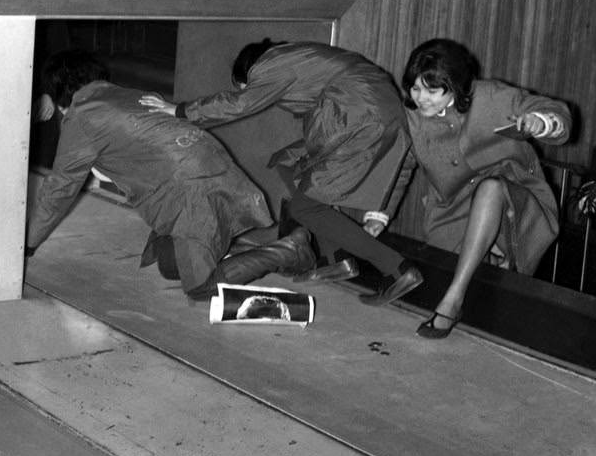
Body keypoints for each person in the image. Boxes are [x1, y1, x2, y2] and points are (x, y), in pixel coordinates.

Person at [140, 38, 422, 304]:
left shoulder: (270, 64)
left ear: (248, 74)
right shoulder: (297, 57)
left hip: (358, 119)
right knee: (287, 161)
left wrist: (179, 111)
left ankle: (396, 268)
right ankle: (333, 258)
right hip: (367, 114)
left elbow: (240, 103)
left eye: (245, 85)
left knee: (305, 207)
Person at [25, 49, 316, 300]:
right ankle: (263, 240)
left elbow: (60, 188)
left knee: (201, 287)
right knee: (168, 263)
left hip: (188, 190)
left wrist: (27, 243)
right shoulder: (129, 94)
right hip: (214, 165)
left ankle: (288, 250)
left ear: (59, 91)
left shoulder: (82, 117)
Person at [400, 39, 571, 338]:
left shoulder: (491, 97)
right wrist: (377, 214)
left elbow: (556, 113)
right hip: (453, 215)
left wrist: (540, 122)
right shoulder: (412, 117)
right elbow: (399, 166)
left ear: (454, 86)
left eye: (431, 90)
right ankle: (484, 268)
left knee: (491, 188)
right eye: (415, 88)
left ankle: (452, 301)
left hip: (518, 202)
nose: (421, 98)